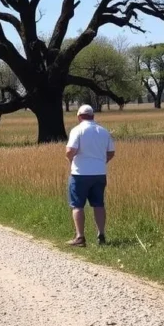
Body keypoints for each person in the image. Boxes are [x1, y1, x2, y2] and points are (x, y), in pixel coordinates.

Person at [65, 105, 115, 247]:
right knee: (99, 204)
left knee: (77, 205)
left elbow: (70, 151)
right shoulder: (103, 131)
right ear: (93, 116)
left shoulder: (77, 130)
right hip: (99, 173)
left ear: (79, 116)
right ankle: (101, 235)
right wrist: (101, 161)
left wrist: (71, 160)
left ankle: (80, 237)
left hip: (80, 173)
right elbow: (111, 152)